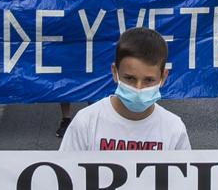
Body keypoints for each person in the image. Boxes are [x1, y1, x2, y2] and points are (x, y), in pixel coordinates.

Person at [59, 27, 190, 151]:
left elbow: (186, 174)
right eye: (130, 78)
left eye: (148, 80)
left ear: (163, 77)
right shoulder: (86, 122)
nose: (138, 89)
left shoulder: (174, 129)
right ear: (115, 72)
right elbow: (64, 171)